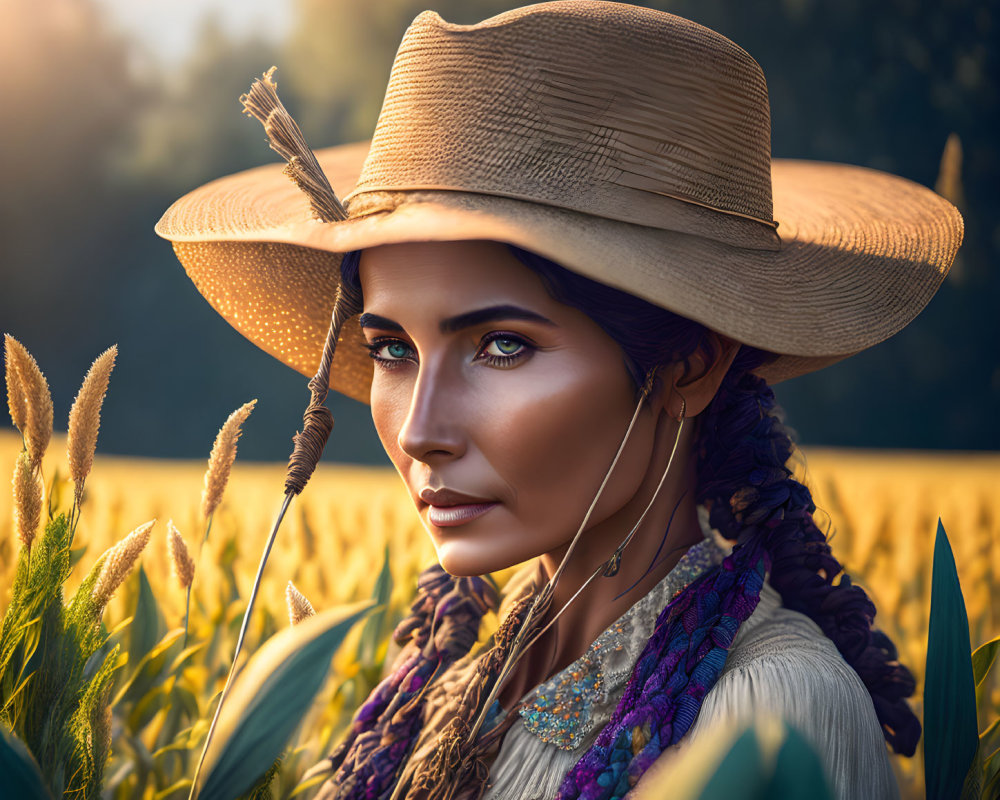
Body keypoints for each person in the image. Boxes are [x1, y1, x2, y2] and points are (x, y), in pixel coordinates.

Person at [155, 3, 963, 799]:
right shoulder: (450, 685)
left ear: (688, 367)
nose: (421, 432)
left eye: (502, 345)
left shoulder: (767, 722)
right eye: (392, 349)